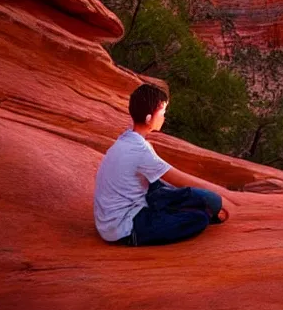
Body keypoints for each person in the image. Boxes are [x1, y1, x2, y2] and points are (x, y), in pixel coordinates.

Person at [94, 83, 231, 246]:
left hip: (113, 219)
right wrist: (224, 196)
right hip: (126, 228)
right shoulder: (140, 149)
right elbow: (178, 178)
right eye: (162, 113)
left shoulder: (126, 138)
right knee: (200, 218)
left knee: (163, 187)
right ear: (148, 118)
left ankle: (186, 206)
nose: (164, 118)